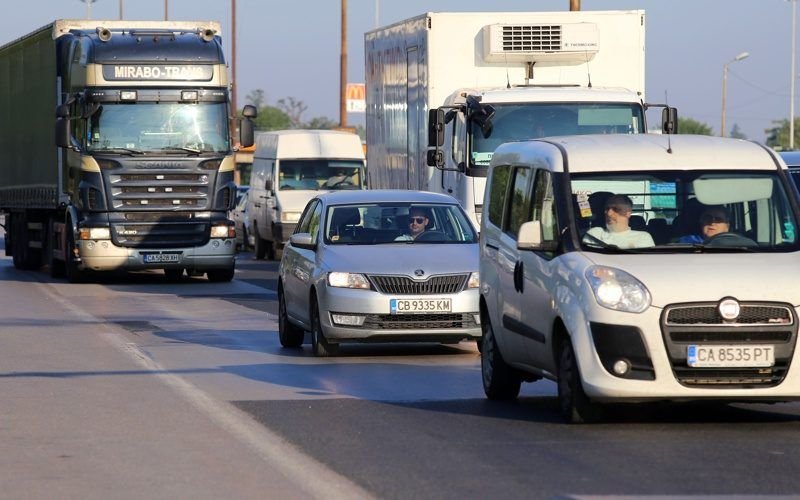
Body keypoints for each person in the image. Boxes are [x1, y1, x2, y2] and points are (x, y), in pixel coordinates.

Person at [584, 194, 655, 248]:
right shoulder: (595, 234)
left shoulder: (642, 237)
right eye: (607, 209)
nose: (609, 213)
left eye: (616, 209)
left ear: (628, 213)